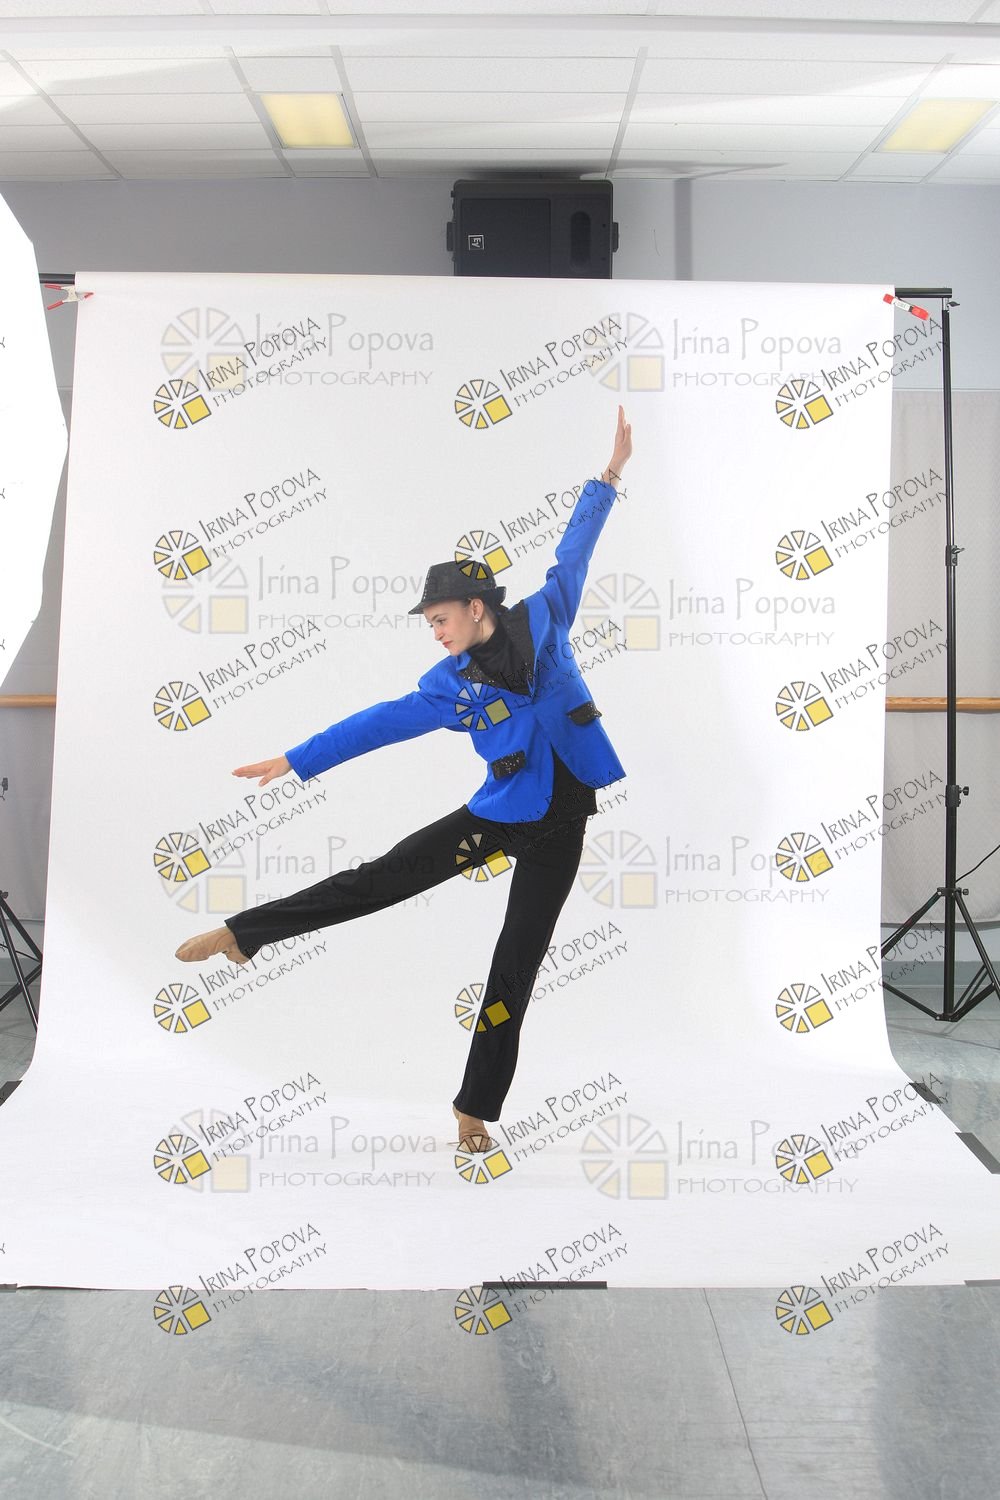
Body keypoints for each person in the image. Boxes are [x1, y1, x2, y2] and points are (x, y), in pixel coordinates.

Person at [176, 405, 633, 1153]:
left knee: (515, 966)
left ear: (477, 608)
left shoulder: (547, 617)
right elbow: (379, 722)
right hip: (499, 815)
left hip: (562, 824)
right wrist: (298, 758)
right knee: (380, 880)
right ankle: (244, 933)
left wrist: (609, 476)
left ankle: (473, 1109)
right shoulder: (447, 685)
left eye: (441, 618)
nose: (436, 631)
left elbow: (573, 551)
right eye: (430, 624)